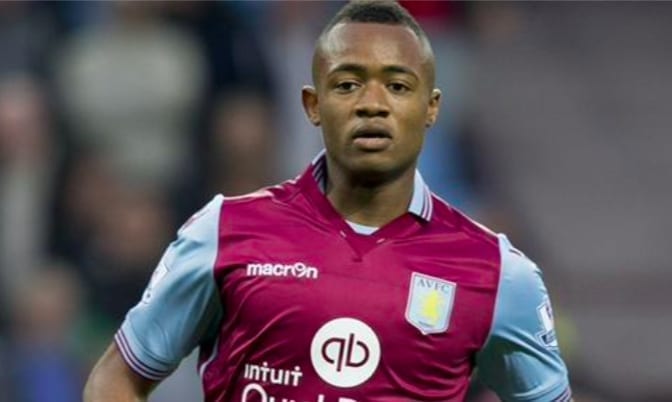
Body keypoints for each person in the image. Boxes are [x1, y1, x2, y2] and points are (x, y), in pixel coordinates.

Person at [83, 1, 572, 401]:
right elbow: (117, 379)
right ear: (313, 105)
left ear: (431, 108)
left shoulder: (495, 272)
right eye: (347, 84)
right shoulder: (224, 230)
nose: (372, 104)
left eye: (398, 86)